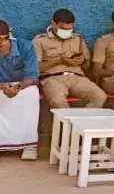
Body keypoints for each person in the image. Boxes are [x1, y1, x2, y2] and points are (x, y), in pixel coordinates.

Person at [33, 9, 108, 109]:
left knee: (100, 96)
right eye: (62, 28)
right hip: (52, 79)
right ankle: (66, 119)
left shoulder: (78, 39)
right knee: (58, 101)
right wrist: (59, 60)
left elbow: (87, 66)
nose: (66, 32)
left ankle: (83, 119)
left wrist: (82, 61)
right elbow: (35, 68)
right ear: (53, 24)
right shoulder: (40, 41)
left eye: (69, 29)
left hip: (77, 78)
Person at [0, 20, 40, 160]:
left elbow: (32, 75)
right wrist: (3, 86)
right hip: (1, 85)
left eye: (2, 39)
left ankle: (29, 145)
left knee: (31, 93)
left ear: (9, 35)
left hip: (22, 85)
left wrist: (17, 87)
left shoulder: (25, 46)